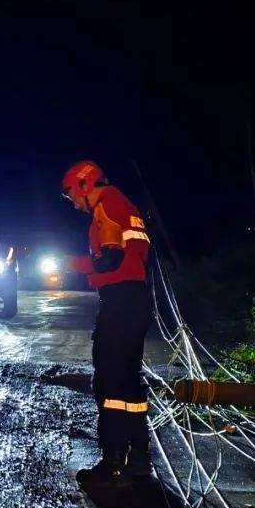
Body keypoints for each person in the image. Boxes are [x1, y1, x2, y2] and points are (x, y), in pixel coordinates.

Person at [61, 160, 155, 487]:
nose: (70, 200)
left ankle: (112, 462)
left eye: (70, 192)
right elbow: (132, 254)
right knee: (130, 382)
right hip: (136, 299)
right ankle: (139, 457)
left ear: (85, 185)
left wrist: (76, 264)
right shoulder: (127, 205)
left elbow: (112, 257)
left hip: (119, 302)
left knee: (109, 383)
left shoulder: (106, 205)